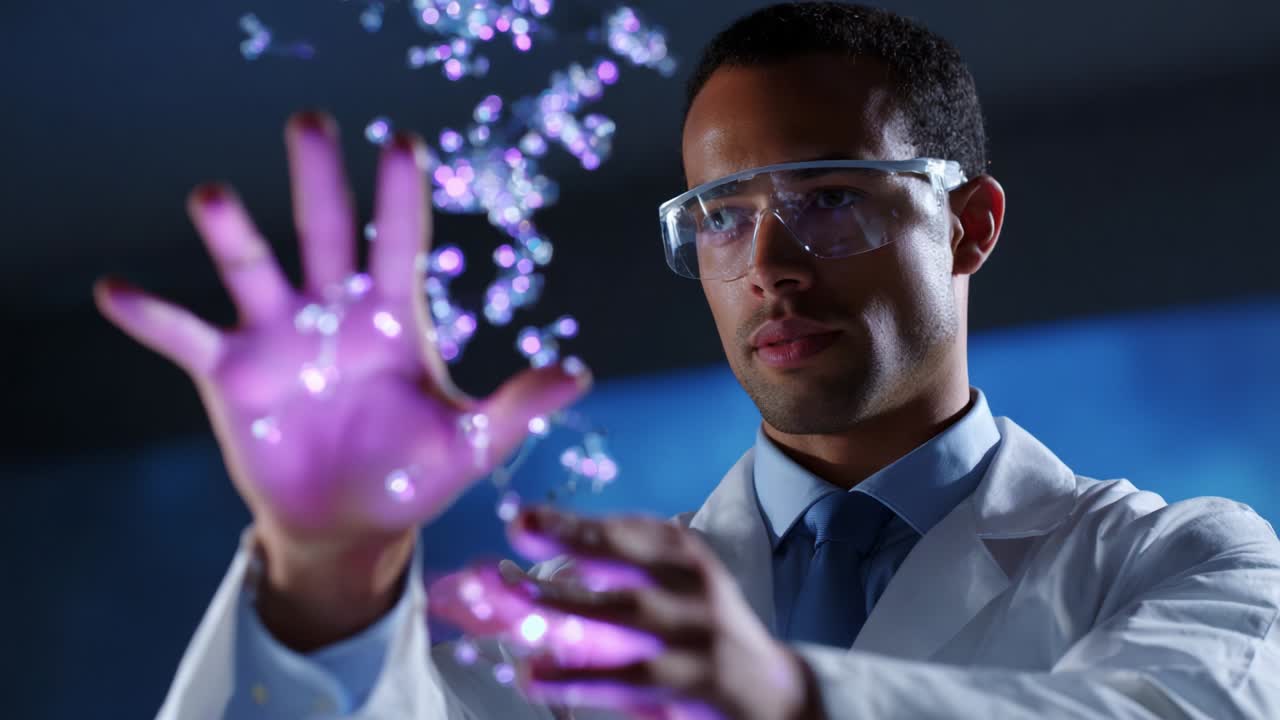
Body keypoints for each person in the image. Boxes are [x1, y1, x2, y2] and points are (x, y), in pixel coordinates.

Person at [96, 3, 1280, 718]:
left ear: (967, 224)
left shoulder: (1175, 559)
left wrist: (785, 700)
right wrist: (323, 578)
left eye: (827, 197)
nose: (765, 260)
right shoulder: (578, 628)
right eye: (719, 213)